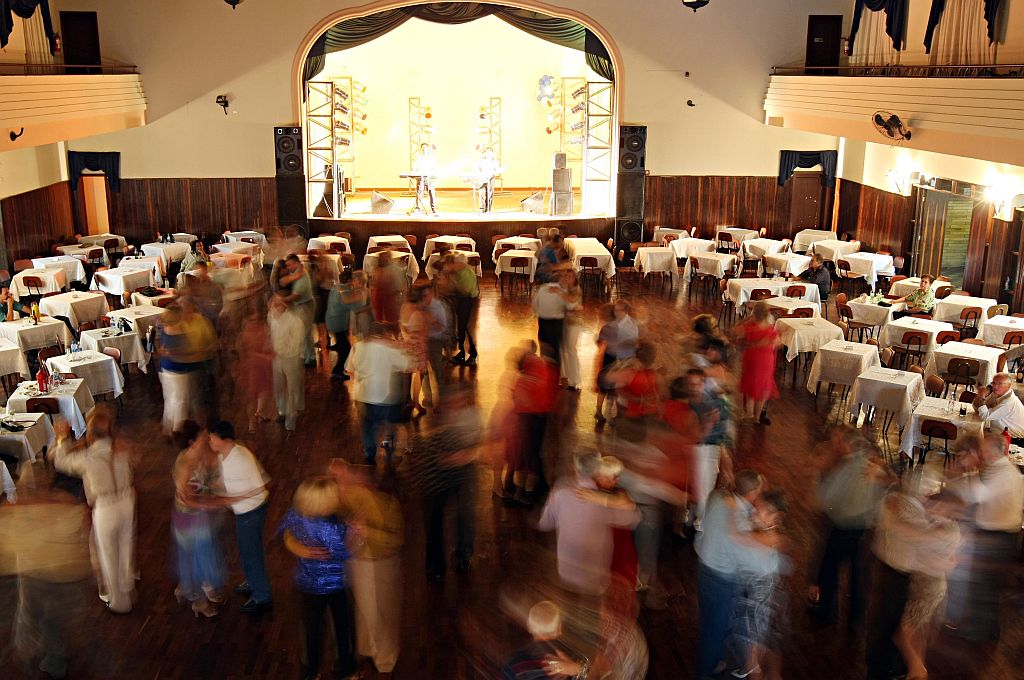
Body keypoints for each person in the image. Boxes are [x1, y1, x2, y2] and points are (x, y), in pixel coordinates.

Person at [866, 470, 961, 680]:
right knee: (909, 632)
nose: (932, 499)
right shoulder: (914, 510)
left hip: (922, 586)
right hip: (907, 580)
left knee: (904, 633)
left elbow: (917, 539)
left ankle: (912, 670)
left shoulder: (934, 523)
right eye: (931, 489)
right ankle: (909, 670)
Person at [2, 465, 92, 679]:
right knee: (48, 620)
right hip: (58, 579)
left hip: (41, 580)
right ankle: (53, 654)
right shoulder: (64, 504)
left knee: (38, 619)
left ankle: (47, 657)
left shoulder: (27, 511)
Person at [49, 408, 136, 614]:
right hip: (127, 501)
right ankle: (128, 586)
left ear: (90, 434)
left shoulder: (88, 458)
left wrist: (62, 439)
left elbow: (61, 462)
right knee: (125, 547)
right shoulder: (120, 450)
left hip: (105, 508)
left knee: (108, 554)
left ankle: (119, 602)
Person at [945, 434, 1024, 641]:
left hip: (1000, 536)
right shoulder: (996, 469)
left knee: (986, 585)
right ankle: (986, 630)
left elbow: (979, 496)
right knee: (984, 584)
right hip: (995, 532)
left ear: (999, 450)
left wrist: (968, 471)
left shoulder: (1006, 473)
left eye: (985, 450)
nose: (983, 454)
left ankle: (981, 633)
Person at [330, 460, 404, 675]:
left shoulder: (387, 505)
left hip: (378, 563)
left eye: (351, 480)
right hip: (361, 561)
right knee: (366, 610)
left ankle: (385, 659)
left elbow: (395, 540)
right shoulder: (351, 497)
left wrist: (366, 532)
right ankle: (370, 649)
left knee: (378, 612)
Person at [280, 475, 356, 680]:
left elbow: (284, 533)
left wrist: (301, 549)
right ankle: (346, 670)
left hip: (307, 582)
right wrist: (357, 533)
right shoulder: (332, 526)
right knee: (342, 627)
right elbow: (344, 553)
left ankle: (311, 672)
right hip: (334, 583)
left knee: (311, 630)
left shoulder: (296, 515)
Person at [811, 427, 887, 630]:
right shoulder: (873, 464)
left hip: (844, 526)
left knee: (829, 569)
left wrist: (818, 475)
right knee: (858, 575)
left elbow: (825, 499)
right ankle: (856, 619)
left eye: (839, 442)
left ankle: (827, 611)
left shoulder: (845, 468)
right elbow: (882, 494)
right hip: (864, 528)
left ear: (846, 445)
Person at [537, 453, 641, 598]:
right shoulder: (603, 500)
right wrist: (611, 500)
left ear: (575, 468)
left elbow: (544, 524)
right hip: (595, 580)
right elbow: (634, 518)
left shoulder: (560, 492)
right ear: (597, 472)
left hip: (566, 574)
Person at [406, 388, 482, 581]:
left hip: (455, 477)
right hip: (438, 484)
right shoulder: (439, 431)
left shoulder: (468, 420)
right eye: (451, 404)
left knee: (462, 517)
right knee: (436, 524)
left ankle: (458, 557)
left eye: (459, 402)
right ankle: (437, 567)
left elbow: (476, 447)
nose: (455, 408)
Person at [694, 470, 764, 680]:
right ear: (753, 493)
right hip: (722, 580)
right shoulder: (742, 522)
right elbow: (747, 559)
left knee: (707, 622)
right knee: (717, 631)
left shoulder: (716, 498)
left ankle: (710, 663)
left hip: (703, 568)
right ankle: (706, 671)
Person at [209, 420, 272, 613]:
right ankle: (253, 581)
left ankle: (261, 595)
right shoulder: (226, 454)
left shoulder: (240, 459)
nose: (210, 441)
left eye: (212, 437)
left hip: (250, 513)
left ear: (224, 439)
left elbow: (259, 487)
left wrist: (228, 499)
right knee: (248, 552)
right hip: (244, 512)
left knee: (250, 554)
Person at [732, 490, 791, 680]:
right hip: (766, 598)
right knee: (770, 647)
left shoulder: (774, 538)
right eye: (755, 508)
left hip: (760, 600)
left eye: (762, 510)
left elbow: (744, 539)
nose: (755, 513)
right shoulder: (761, 532)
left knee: (753, 660)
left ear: (778, 517)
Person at [171, 421, 227, 618]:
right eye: (202, 435)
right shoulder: (184, 464)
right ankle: (198, 602)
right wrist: (218, 503)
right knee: (194, 561)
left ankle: (196, 588)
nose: (206, 436)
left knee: (202, 557)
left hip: (203, 518)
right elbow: (187, 498)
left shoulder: (202, 455)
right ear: (192, 441)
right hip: (188, 520)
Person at [345, 322, 415, 465]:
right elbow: (408, 365)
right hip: (386, 396)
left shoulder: (358, 347)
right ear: (385, 334)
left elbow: (349, 369)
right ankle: (390, 452)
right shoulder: (389, 349)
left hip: (363, 395)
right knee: (390, 425)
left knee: (368, 426)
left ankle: (369, 453)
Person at [157, 297, 218, 434]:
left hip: (168, 369)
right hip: (180, 371)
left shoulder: (167, 327)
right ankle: (178, 431)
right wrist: (196, 354)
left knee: (172, 399)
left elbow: (164, 349)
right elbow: (180, 354)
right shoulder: (177, 329)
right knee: (180, 402)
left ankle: (169, 428)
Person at [499, 601, 590, 679]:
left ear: (529, 626)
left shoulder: (512, 664)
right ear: (559, 629)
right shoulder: (571, 659)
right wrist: (578, 669)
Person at [733, 300, 779, 423]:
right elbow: (776, 344)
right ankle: (757, 417)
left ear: (754, 314)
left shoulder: (749, 327)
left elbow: (735, 331)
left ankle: (748, 412)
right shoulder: (770, 329)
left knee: (751, 387)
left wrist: (748, 319)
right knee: (763, 388)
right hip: (766, 360)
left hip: (751, 358)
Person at [595, 301, 640, 424]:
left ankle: (613, 413)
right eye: (615, 310)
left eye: (619, 310)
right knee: (605, 385)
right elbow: (600, 340)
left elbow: (635, 343)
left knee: (618, 386)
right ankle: (599, 411)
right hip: (610, 356)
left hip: (624, 358)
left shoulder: (632, 325)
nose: (616, 313)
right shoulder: (610, 325)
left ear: (626, 311)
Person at [268, 293, 306, 431]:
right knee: (279, 387)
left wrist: (279, 351)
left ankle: (291, 417)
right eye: (273, 303)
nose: (273, 307)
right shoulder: (271, 317)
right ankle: (282, 411)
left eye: (277, 304)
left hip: (291, 358)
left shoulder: (295, 322)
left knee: (292, 387)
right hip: (277, 357)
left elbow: (295, 344)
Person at [325, 270, 368, 381]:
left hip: (332, 320)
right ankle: (337, 371)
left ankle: (339, 370)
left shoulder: (336, 287)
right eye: (353, 279)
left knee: (342, 346)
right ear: (350, 280)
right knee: (346, 349)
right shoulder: (345, 291)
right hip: (338, 323)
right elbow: (356, 307)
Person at [532, 269, 579, 364]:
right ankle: (555, 373)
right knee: (556, 349)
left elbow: (534, 304)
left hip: (542, 321)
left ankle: (544, 370)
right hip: (557, 323)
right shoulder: (563, 290)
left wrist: (540, 312)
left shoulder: (542, 288)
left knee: (544, 347)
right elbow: (570, 306)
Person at [278, 253, 317, 365]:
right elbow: (282, 281)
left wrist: (281, 300)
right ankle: (305, 355)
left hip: (305, 305)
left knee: (305, 332)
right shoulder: (297, 271)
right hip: (301, 304)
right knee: (302, 331)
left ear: (296, 263)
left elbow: (295, 296)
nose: (288, 268)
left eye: (290, 265)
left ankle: (310, 357)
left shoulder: (302, 280)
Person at [970, 371, 1024, 437]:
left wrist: (981, 396)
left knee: (972, 436)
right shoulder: (996, 394)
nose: (995, 386)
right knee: (971, 433)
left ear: (1009, 385)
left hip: (1011, 438)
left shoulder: (1008, 402)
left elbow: (985, 416)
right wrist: (980, 395)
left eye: (999, 384)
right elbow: (979, 409)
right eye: (993, 383)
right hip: (997, 431)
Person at [448, 253, 479, 366]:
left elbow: (466, 291)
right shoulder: (459, 271)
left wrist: (453, 284)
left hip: (468, 302)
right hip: (462, 302)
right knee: (461, 329)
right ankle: (461, 353)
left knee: (468, 329)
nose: (455, 265)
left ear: (461, 263)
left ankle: (473, 355)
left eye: (456, 263)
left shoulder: (469, 273)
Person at [558, 270, 584, 390]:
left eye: (569, 277)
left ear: (574, 279)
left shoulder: (576, 290)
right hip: (563, 323)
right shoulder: (563, 289)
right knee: (562, 349)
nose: (567, 279)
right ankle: (563, 377)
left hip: (574, 324)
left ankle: (574, 380)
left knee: (571, 350)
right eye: (565, 276)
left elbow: (570, 304)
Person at [371, 250, 408, 326]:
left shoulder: (378, 270)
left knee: (390, 320)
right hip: (385, 299)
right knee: (386, 320)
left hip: (389, 299)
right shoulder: (388, 270)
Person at [412, 142, 438, 215]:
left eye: (425, 148)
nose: (424, 150)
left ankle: (433, 208)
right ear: (421, 149)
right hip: (420, 177)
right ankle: (418, 208)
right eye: (423, 148)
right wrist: (414, 173)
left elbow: (434, 168)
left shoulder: (431, 158)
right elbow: (414, 167)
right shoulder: (418, 157)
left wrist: (432, 174)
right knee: (419, 192)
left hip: (429, 178)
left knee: (431, 193)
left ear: (427, 149)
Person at [475, 147, 501, 213]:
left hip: (491, 178)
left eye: (490, 152)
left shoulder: (495, 161)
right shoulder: (481, 160)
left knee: (489, 194)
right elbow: (478, 168)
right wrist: (481, 175)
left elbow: (497, 170)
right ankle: (482, 209)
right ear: (485, 153)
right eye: (487, 152)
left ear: (492, 153)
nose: (488, 153)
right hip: (482, 178)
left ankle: (488, 209)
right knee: (482, 193)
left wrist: (491, 175)